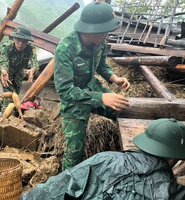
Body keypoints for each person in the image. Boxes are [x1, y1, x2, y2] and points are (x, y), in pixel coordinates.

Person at [21, 118, 185, 200]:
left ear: (145, 143)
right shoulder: (175, 191)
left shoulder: (103, 160)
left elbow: (55, 189)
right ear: (175, 158)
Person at [54, 2, 130, 171]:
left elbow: (102, 65)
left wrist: (114, 78)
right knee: (74, 153)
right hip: (74, 102)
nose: (108, 34)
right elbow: (65, 90)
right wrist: (101, 97)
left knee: (124, 110)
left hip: (93, 88)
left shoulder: (100, 42)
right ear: (93, 30)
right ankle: (67, 186)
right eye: (106, 31)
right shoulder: (65, 49)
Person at [0, 26, 39, 117]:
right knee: (10, 96)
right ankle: (5, 119)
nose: (20, 44)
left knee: (15, 96)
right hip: (6, 73)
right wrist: (4, 71)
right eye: (18, 40)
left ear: (28, 42)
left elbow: (35, 61)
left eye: (24, 41)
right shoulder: (7, 47)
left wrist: (32, 70)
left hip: (19, 73)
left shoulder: (31, 49)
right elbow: (3, 61)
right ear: (14, 38)